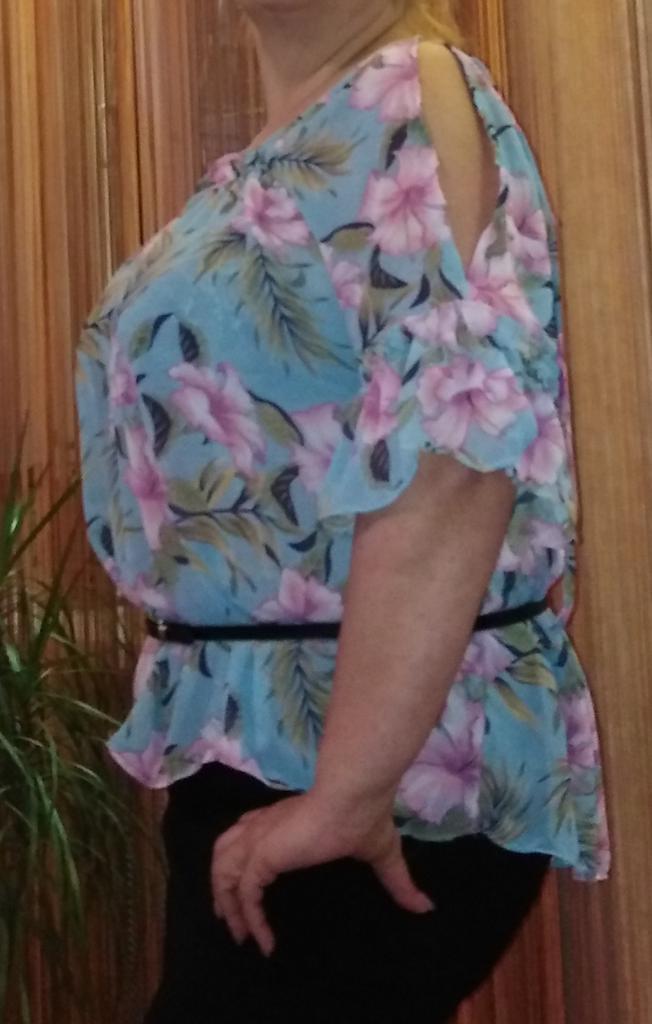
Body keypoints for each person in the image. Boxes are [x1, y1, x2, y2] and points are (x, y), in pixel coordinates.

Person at [73, 0, 611, 1020]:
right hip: (277, 748)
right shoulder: (302, 141)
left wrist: (347, 795)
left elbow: (453, 459)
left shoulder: (414, 91)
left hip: (368, 768)